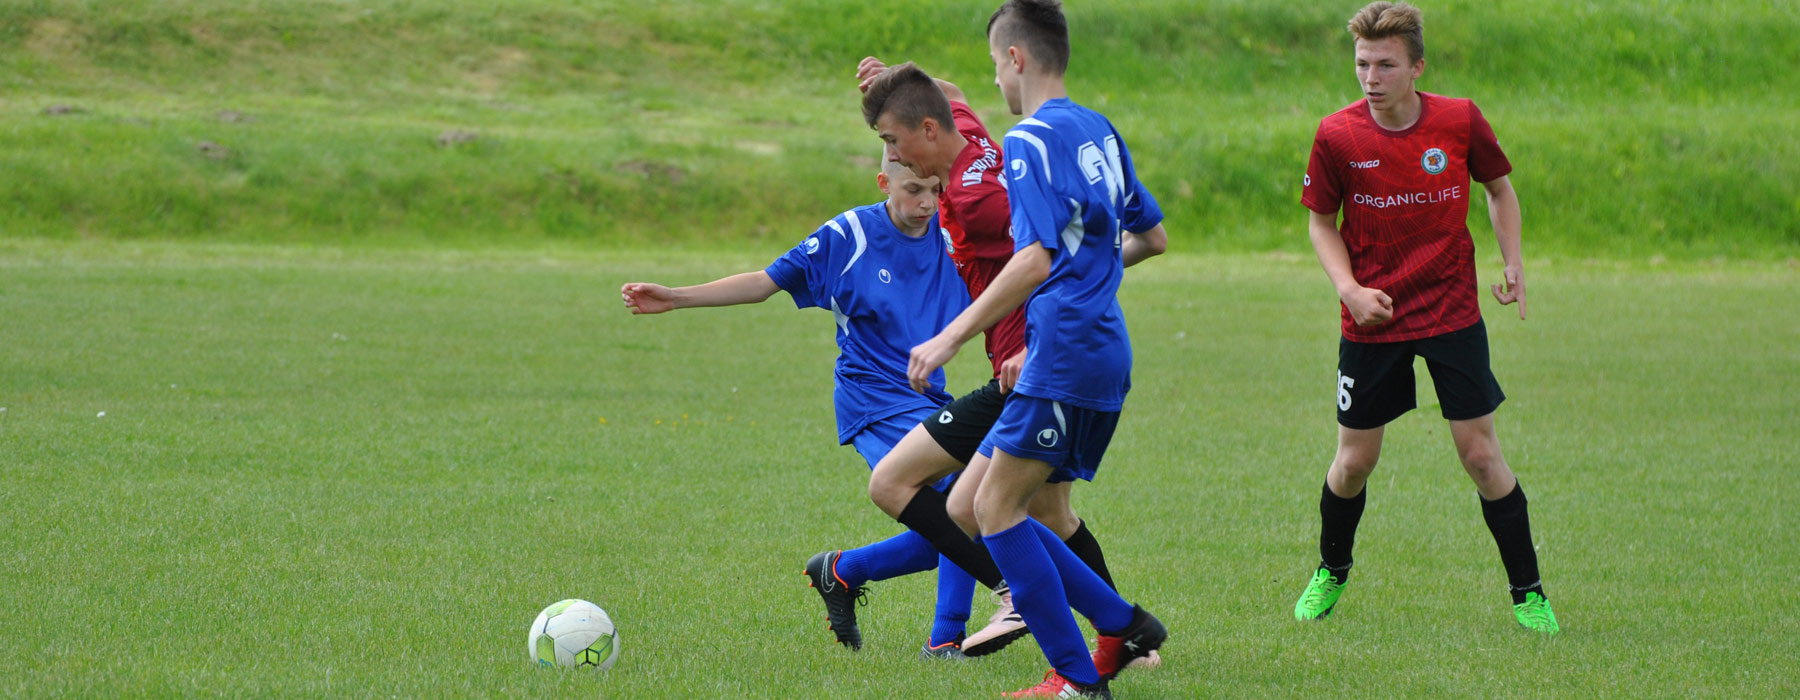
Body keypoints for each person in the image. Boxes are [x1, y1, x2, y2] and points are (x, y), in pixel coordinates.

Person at [841, 59, 1164, 664]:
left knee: (917, 489)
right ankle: (1125, 637)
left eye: (892, 140)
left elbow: (1045, 254)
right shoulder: (962, 133)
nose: (892, 156)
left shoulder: (981, 197)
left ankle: (1027, 599)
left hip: (1035, 368)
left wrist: (995, 340)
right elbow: (953, 93)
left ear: (929, 131)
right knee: (1040, 512)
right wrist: (899, 78)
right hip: (1042, 363)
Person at [620, 158, 981, 652]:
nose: (925, 203)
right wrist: (677, 297)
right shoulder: (850, 235)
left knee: (961, 513)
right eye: (913, 189)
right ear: (884, 183)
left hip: (927, 396)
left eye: (935, 191)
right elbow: (766, 282)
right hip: (872, 397)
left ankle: (844, 571)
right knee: (963, 495)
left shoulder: (951, 233)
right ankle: (946, 641)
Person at [1292, 1, 1558, 635]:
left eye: (1385, 64)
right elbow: (1320, 223)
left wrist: (1513, 261)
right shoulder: (1337, 135)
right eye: (1361, 64)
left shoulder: (1459, 120)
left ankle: (1530, 594)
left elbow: (1498, 188)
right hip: (1371, 317)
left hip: (1449, 309)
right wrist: (1349, 287)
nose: (1370, 77)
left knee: (1481, 456)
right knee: (1354, 462)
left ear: (1417, 67)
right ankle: (1331, 570)